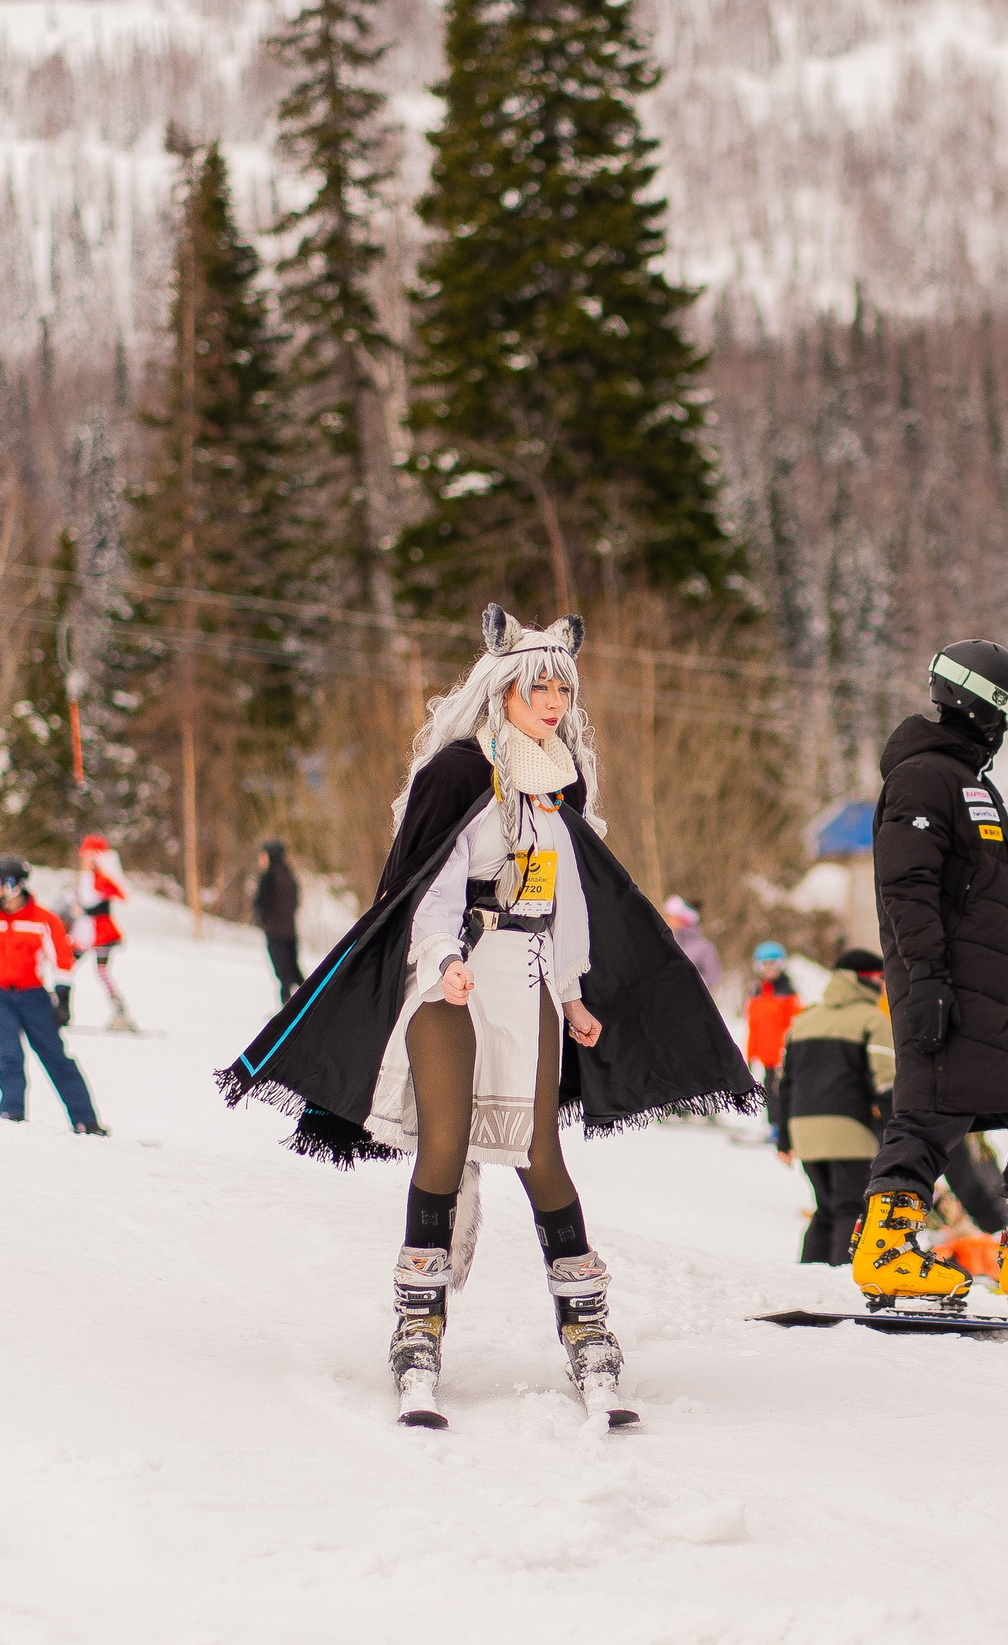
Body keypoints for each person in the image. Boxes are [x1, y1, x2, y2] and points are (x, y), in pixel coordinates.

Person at [216, 607, 755, 1427]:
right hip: (453, 980)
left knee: (541, 1152)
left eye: (563, 688)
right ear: (502, 689)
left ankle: (589, 1330)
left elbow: (567, 900)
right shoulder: (460, 775)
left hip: (529, 977)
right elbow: (425, 885)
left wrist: (573, 992)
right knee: (444, 1141)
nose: (553, 700)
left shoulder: (558, 783)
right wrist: (441, 959)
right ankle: (417, 1330)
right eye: (538, 685)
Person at [853, 638, 1008, 1320]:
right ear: (983, 704)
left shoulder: (977, 786)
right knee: (932, 1114)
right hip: (950, 991)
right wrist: (927, 979)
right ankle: (885, 1247)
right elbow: (907, 887)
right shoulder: (920, 779)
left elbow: (1007, 899)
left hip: (1004, 995)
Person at [0, 856, 107, 1133]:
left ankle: (86, 1121)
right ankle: (12, 1115)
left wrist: (63, 996)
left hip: (32, 996)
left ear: (13, 885)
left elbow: (61, 960)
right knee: (10, 1056)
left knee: (55, 1056)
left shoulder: (43, 920)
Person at [771, 948, 893, 1266]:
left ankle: (808, 1274)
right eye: (880, 977)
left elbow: (785, 1085)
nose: (883, 985)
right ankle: (842, 1278)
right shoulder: (872, 1020)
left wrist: (784, 1137)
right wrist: (897, 1133)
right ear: (863, 979)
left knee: (825, 1207)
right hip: (850, 1128)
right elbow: (886, 1082)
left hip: (805, 1130)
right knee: (851, 1207)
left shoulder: (804, 1021)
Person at [71, 835, 137, 1032]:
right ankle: (57, 1006)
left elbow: (118, 895)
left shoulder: (102, 878)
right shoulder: (87, 877)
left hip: (100, 932)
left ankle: (120, 1010)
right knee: (67, 966)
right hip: (83, 932)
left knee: (101, 971)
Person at [743, 941, 801, 1082]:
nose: (769, 970)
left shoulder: (788, 995)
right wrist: (750, 1054)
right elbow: (754, 1026)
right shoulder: (757, 995)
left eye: (773, 964)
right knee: (771, 1098)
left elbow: (796, 1026)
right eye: (765, 965)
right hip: (767, 1063)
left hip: (785, 1062)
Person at [253, 839, 303, 1002]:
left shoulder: (269, 877)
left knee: (284, 976)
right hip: (290, 931)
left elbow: (261, 903)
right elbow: (295, 902)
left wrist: (262, 918)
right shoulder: (288, 874)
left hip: (275, 932)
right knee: (294, 973)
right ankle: (309, 1006)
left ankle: (289, 1013)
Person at [663, 896, 723, 993]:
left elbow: (713, 977)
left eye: (673, 916)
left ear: (684, 918)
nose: (668, 920)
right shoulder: (667, 942)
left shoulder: (704, 947)